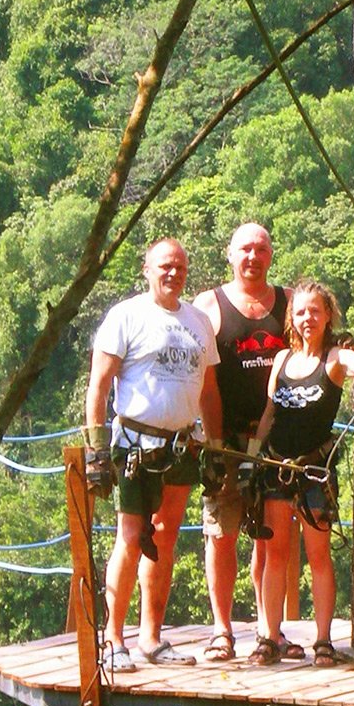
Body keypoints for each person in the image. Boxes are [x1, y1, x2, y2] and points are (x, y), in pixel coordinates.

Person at [245, 279, 354, 666]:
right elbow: (270, 413)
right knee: (274, 555)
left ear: (327, 315)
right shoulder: (283, 361)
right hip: (275, 469)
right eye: (300, 312)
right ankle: (269, 637)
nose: (307, 318)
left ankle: (323, 641)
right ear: (291, 318)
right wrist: (251, 461)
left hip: (314, 472)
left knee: (318, 555)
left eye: (315, 311)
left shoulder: (335, 358)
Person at [84, 238, 221, 670]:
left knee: (163, 539)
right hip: (135, 447)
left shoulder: (198, 321)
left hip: (181, 444)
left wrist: (216, 449)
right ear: (146, 269)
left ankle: (152, 638)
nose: (173, 273)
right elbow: (99, 384)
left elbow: (210, 391)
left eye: (180, 266)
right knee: (130, 539)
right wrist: (96, 448)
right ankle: (113, 639)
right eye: (165, 266)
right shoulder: (126, 316)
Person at [192, 222, 288, 662]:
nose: (253, 257)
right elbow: (201, 380)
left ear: (271, 255)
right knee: (222, 534)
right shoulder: (208, 305)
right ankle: (222, 630)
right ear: (229, 255)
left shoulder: (288, 304)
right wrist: (211, 442)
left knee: (273, 537)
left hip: (277, 439)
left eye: (260, 249)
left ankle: (271, 630)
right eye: (245, 250)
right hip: (226, 440)